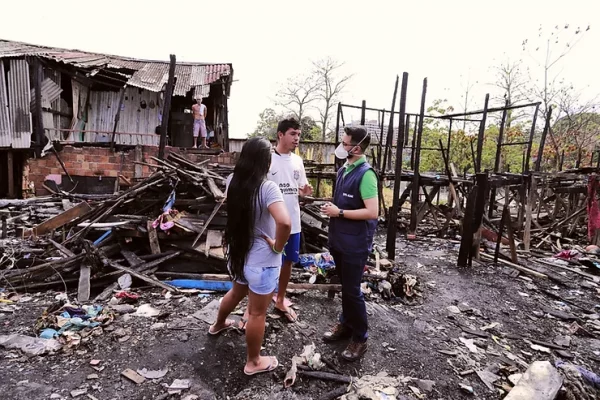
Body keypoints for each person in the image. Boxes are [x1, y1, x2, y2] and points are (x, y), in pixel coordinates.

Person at [208, 137, 292, 376]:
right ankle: (253, 361)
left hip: (238, 255)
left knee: (236, 291)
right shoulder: (267, 188)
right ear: (265, 161)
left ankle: (218, 325)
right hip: (263, 261)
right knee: (256, 313)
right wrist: (278, 246)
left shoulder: (232, 181)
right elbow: (285, 222)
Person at [320, 126, 379, 362]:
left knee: (353, 291)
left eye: (345, 143)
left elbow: (372, 211)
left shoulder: (366, 174)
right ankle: (345, 324)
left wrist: (340, 212)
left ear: (356, 147)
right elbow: (342, 204)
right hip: (340, 239)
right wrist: (333, 209)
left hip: (355, 243)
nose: (341, 146)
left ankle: (360, 338)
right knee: (345, 286)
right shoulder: (345, 168)